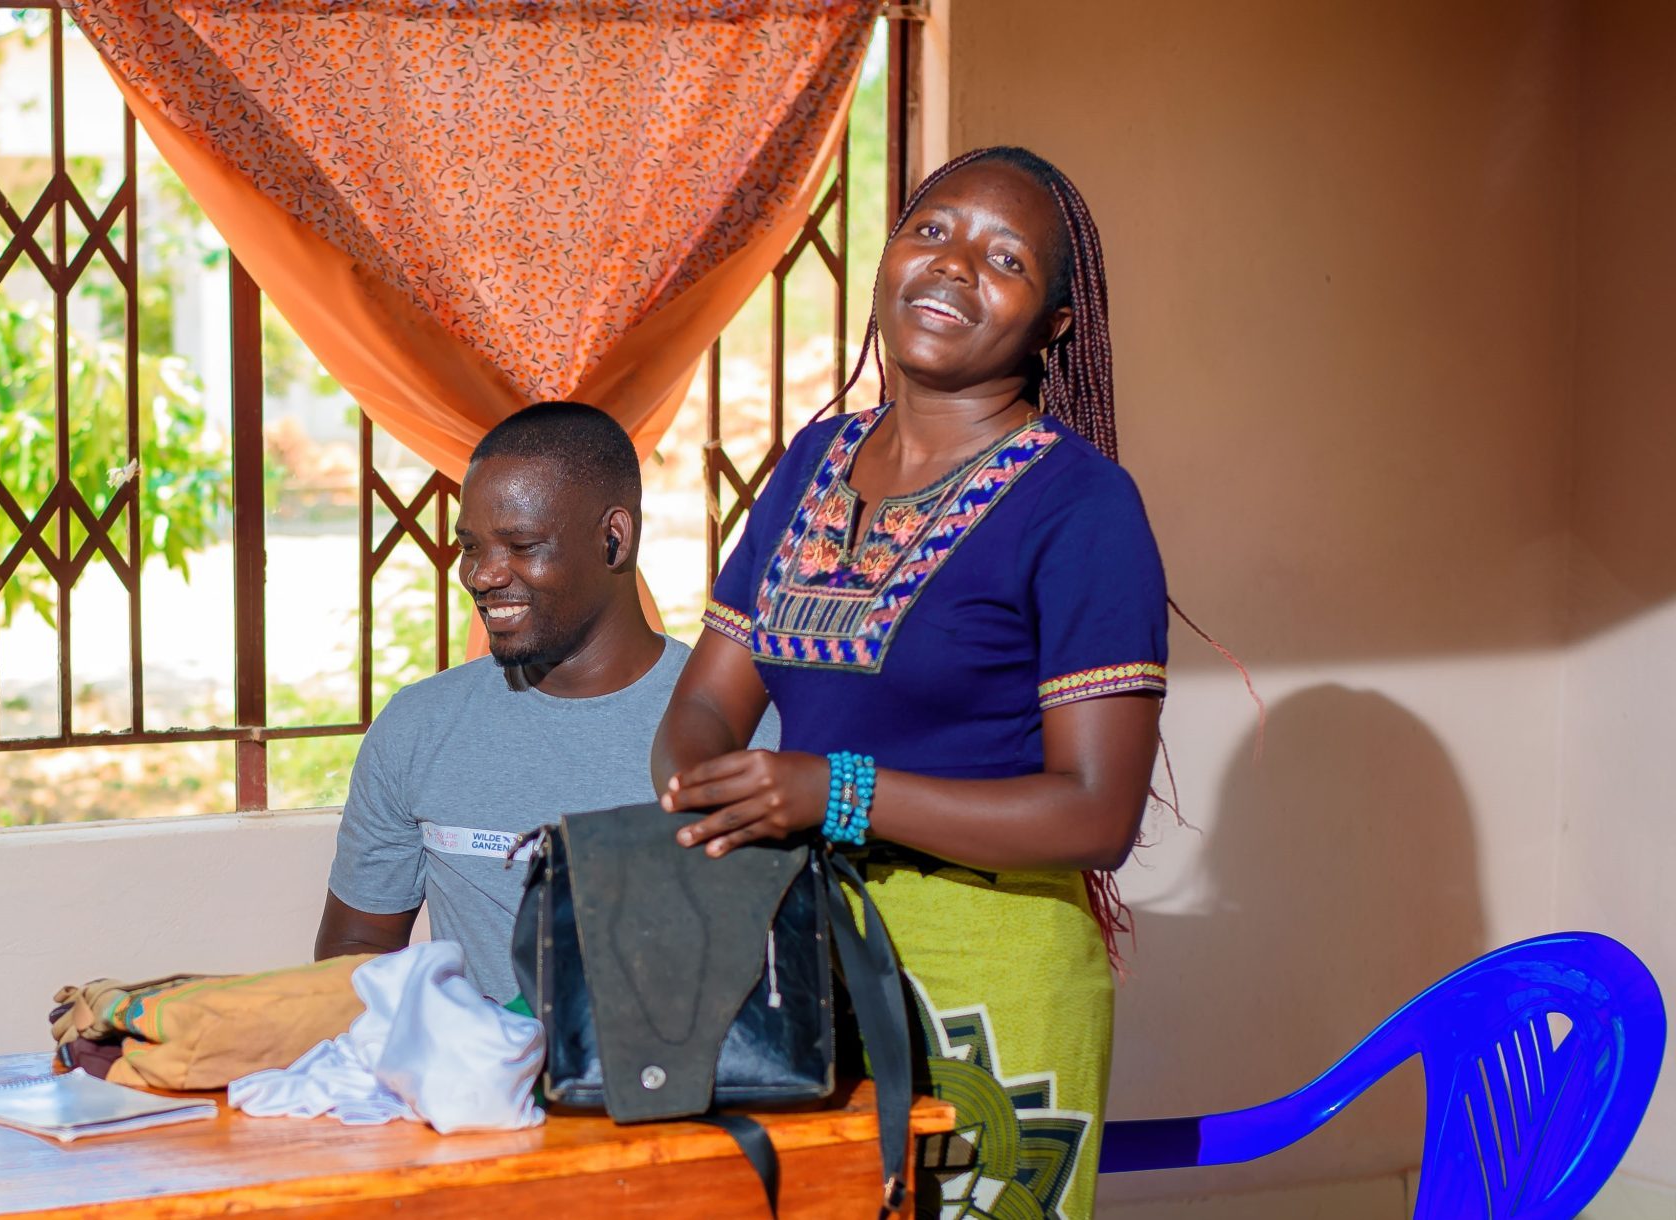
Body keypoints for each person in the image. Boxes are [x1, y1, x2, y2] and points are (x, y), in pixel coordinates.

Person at [652, 147, 1165, 1219]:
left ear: (1058, 321)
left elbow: (1096, 811)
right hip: (804, 956)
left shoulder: (1082, 505)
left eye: (1005, 256)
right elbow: (706, 701)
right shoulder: (810, 463)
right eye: (931, 231)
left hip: (994, 985)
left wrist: (836, 790)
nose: (951, 266)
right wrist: (709, 793)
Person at [317, 401, 776, 1000]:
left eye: (521, 544)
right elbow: (355, 953)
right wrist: (460, 1042)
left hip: (690, 1085)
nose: (482, 575)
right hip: (480, 1087)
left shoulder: (743, 724)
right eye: (471, 547)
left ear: (614, 539)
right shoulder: (418, 728)